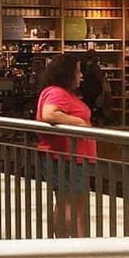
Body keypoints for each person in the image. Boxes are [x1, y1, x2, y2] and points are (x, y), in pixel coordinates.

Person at [36, 54, 97, 238]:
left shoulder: (58, 92)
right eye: (78, 71)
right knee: (74, 205)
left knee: (65, 203)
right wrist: (79, 122)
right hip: (68, 156)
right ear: (67, 73)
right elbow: (50, 114)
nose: (81, 76)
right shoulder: (57, 93)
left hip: (67, 156)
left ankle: (65, 249)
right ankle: (77, 252)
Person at [80, 54, 113, 127]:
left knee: (94, 108)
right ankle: (97, 125)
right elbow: (101, 79)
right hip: (94, 91)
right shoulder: (93, 67)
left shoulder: (89, 67)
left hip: (91, 92)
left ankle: (94, 124)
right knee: (97, 109)